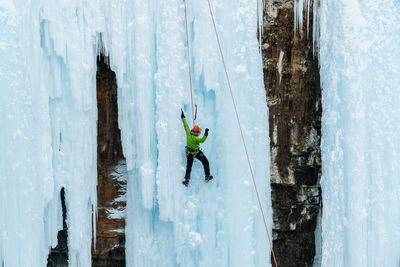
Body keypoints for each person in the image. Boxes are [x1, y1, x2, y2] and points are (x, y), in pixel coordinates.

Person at [181, 109, 213, 187]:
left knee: (189, 166)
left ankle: (187, 180)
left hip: (189, 153)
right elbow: (202, 140)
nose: (199, 133)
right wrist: (206, 133)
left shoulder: (188, 133)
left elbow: (185, 125)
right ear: (197, 132)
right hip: (196, 152)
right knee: (205, 161)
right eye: (199, 132)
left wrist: (183, 117)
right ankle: (207, 176)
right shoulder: (196, 139)